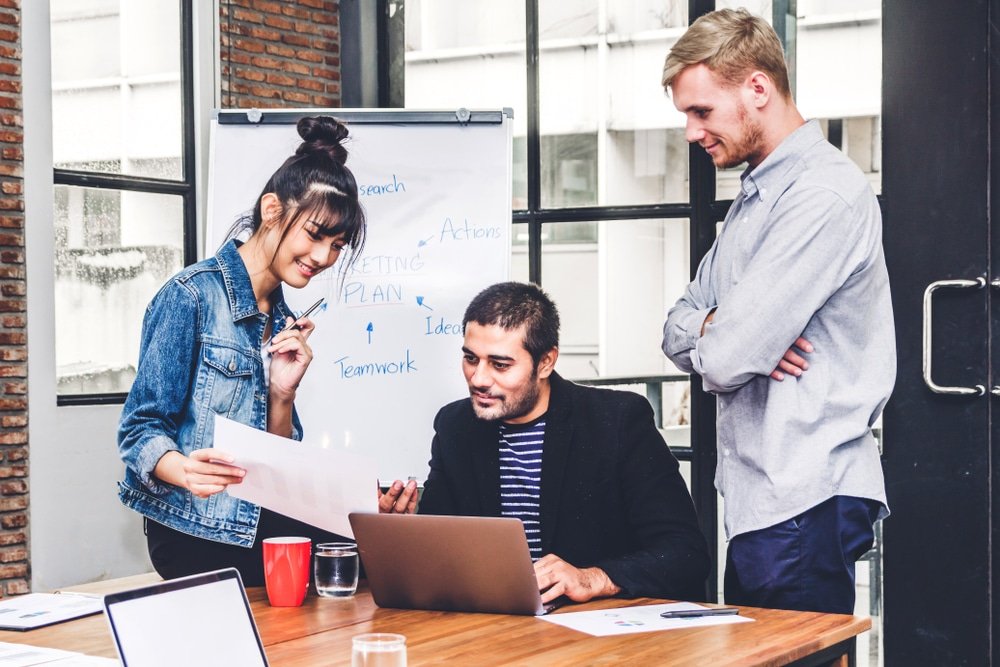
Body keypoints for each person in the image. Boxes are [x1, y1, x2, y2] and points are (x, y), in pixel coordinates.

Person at [660, 9, 895, 614]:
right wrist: (720, 325)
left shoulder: (819, 195)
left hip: (802, 498)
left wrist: (732, 338)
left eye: (701, 111)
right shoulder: (758, 196)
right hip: (767, 499)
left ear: (757, 89)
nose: (691, 131)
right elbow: (677, 326)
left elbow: (726, 361)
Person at [117, 116, 367, 586]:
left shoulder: (284, 317)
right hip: (195, 527)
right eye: (315, 234)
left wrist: (282, 394)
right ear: (272, 210)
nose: (323, 257)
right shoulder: (190, 296)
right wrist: (185, 469)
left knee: (363, 554)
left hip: (259, 522)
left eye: (337, 245)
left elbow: (271, 462)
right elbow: (139, 429)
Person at [381, 282, 710, 604]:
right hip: (494, 628)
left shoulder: (617, 421)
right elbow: (444, 550)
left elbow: (685, 554)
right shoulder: (455, 426)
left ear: (546, 362)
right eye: (470, 358)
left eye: (500, 364)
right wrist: (400, 534)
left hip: (596, 633)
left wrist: (593, 578)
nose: (478, 379)